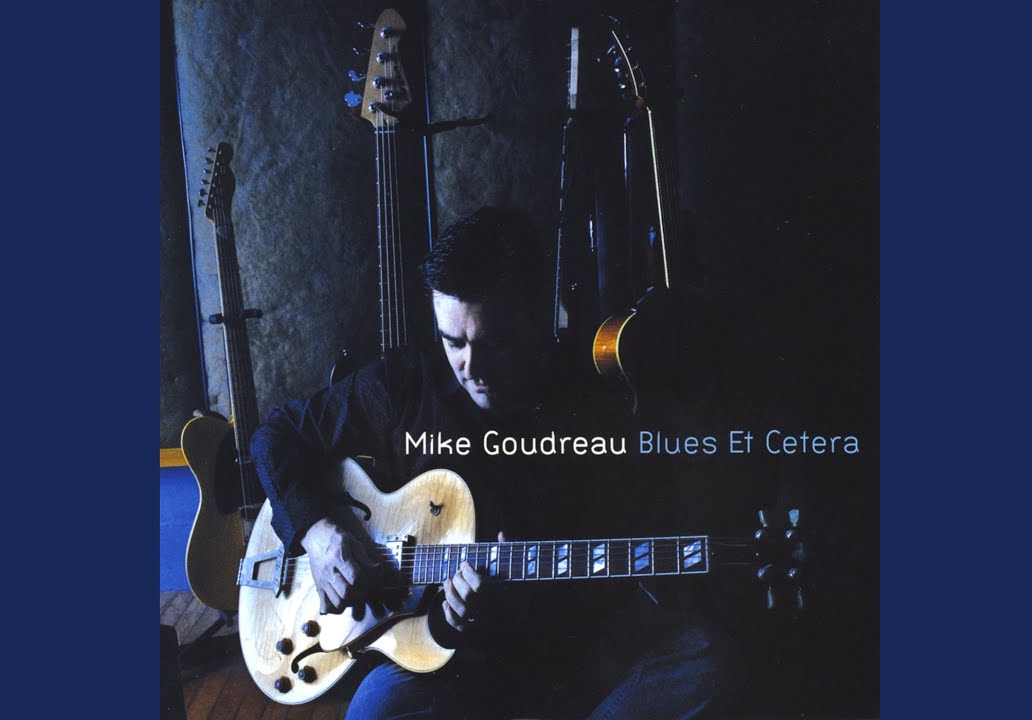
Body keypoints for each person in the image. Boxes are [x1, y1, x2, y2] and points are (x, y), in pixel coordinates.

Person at [251, 206, 737, 719]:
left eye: (492, 342)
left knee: (706, 660)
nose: (471, 366)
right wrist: (321, 534)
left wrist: (519, 604)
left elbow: (604, 578)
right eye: (453, 342)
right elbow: (274, 438)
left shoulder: (588, 401)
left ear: (534, 316)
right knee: (374, 711)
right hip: (445, 662)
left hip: (565, 649)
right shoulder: (403, 384)